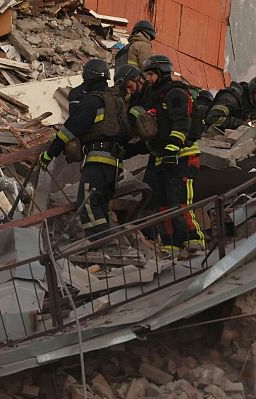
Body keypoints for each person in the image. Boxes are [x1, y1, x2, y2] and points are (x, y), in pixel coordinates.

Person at [38, 59, 131, 240]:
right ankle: (105, 241)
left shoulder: (92, 101)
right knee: (101, 203)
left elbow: (69, 130)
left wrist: (50, 153)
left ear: (88, 76)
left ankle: (98, 242)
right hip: (115, 163)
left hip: (97, 159)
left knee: (88, 202)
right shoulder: (116, 101)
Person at [135, 55, 205, 254]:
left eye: (150, 74)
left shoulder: (176, 93)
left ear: (162, 72)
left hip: (182, 156)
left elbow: (182, 123)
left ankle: (193, 241)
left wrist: (172, 147)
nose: (147, 79)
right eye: (146, 75)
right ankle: (171, 243)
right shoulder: (156, 96)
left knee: (180, 201)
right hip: (163, 158)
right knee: (162, 203)